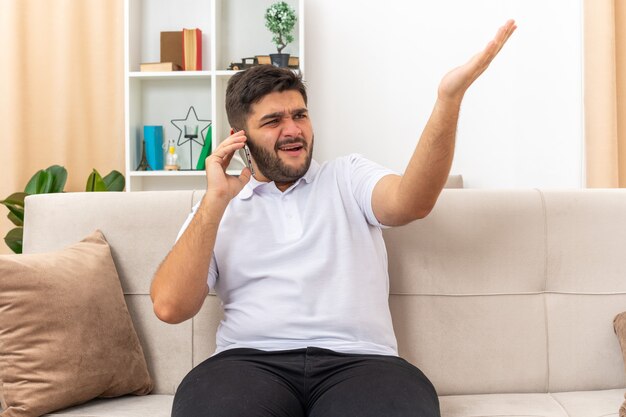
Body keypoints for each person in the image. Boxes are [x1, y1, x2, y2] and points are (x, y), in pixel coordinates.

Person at [151, 20, 517, 417]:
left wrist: (449, 99)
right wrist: (215, 201)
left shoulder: (348, 176)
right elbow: (170, 307)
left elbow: (413, 201)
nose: (293, 130)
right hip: (247, 364)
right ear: (239, 137)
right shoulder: (216, 208)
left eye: (300, 115)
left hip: (362, 364)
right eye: (273, 121)